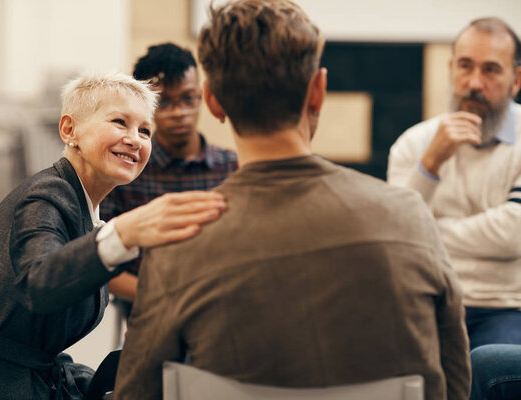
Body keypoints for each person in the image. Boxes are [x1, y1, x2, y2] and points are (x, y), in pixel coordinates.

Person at [113, 1, 471, 399]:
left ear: (212, 101)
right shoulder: (409, 216)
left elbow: (135, 392)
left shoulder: (177, 246)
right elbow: (454, 379)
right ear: (318, 91)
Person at [0, 71, 227, 400]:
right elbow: (40, 281)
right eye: (120, 122)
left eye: (145, 130)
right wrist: (123, 233)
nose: (135, 139)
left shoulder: (84, 207)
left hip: (31, 376)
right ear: (69, 129)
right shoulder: (47, 194)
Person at [387, 17, 521, 351]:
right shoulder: (414, 144)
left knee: (490, 366)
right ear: (451, 69)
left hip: (506, 306)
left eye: (491, 70)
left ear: (516, 79)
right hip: (429, 301)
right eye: (465, 66)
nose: (475, 82)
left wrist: (431, 231)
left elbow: (513, 234)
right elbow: (397, 234)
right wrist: (430, 164)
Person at [100, 43, 237, 303]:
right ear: (144, 106)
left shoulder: (231, 167)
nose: (179, 113)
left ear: (202, 96)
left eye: (188, 99)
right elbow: (102, 263)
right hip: (150, 305)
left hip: (221, 305)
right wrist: (165, 300)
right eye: (164, 102)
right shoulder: (126, 171)